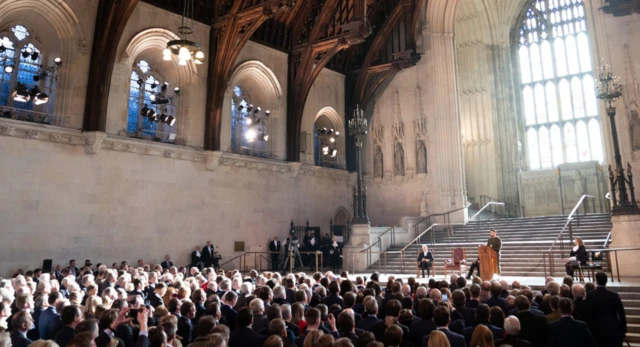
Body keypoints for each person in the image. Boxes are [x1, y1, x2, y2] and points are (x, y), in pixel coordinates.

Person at [587, 272, 627, 347]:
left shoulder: (590, 295)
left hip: (597, 330)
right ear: (606, 281)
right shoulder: (614, 295)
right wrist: (623, 331)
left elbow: (589, 313)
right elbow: (621, 314)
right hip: (613, 329)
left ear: (596, 281)